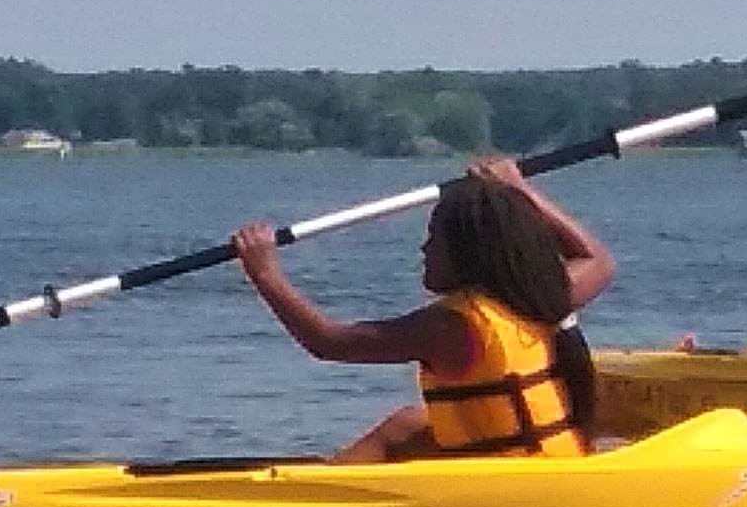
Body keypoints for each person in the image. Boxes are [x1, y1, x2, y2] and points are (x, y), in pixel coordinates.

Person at [232, 158, 616, 463]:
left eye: (434, 239)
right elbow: (596, 258)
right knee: (405, 427)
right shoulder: (537, 295)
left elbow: (329, 342)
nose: (424, 250)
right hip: (555, 465)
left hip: (506, 487)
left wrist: (266, 275)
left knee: (405, 430)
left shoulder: (451, 325)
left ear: (468, 254)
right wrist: (520, 190)